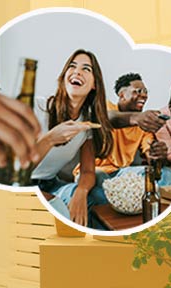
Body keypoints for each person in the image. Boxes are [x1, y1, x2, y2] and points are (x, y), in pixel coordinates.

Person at [28, 49, 114, 227]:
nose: (77, 72)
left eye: (86, 69)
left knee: (99, 196)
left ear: (94, 85)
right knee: (62, 207)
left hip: (52, 184)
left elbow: (88, 171)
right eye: (72, 66)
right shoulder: (37, 107)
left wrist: (81, 192)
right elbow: (14, 167)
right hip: (22, 184)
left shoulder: (87, 125)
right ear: (64, 76)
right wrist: (50, 139)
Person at [84, 73, 171, 201]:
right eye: (138, 91)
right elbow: (107, 118)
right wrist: (135, 118)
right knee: (100, 183)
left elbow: (149, 152)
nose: (144, 95)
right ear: (122, 94)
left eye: (145, 91)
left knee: (169, 174)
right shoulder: (106, 107)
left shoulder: (143, 125)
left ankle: (149, 209)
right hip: (94, 171)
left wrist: (157, 154)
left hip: (122, 174)